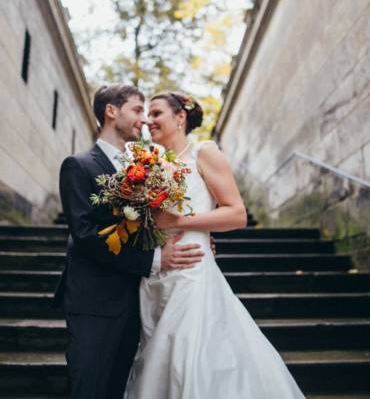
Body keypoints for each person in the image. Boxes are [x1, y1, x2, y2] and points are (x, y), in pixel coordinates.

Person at [123, 91, 306, 399]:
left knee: (189, 356)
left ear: (180, 117)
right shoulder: (148, 162)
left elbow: (237, 213)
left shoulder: (203, 152)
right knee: (158, 360)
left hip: (193, 274)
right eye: (147, 115)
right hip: (155, 276)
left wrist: (181, 223)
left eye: (156, 114)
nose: (148, 121)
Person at [55, 84, 207, 399]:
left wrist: (199, 235)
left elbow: (159, 219)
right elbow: (83, 236)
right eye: (138, 110)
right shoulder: (78, 165)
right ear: (112, 111)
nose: (144, 121)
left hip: (136, 302)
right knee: (88, 389)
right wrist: (153, 260)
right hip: (94, 301)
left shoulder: (144, 167)